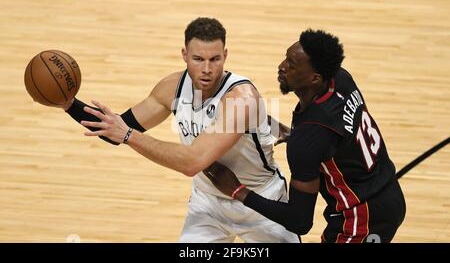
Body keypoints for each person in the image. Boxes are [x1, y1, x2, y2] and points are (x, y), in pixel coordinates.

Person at [60, 17, 299, 243]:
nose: (206, 69)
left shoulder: (240, 98)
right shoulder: (171, 88)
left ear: (225, 56)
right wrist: (69, 104)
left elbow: (191, 162)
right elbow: (114, 130)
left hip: (259, 201)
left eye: (214, 59)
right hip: (208, 203)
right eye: (198, 59)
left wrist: (128, 135)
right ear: (184, 55)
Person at [204, 29, 406, 243]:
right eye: (286, 57)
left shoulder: (309, 137)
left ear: (314, 78)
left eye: (292, 64)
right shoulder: (340, 78)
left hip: (360, 218)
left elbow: (299, 221)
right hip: (388, 192)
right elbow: (337, 134)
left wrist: (237, 190)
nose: (282, 66)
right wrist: (296, 136)